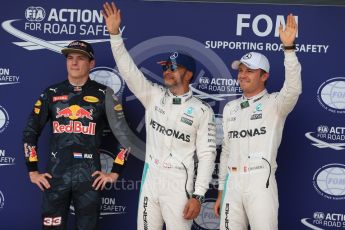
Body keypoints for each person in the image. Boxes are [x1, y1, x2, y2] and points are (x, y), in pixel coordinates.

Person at [102, 2, 217, 229]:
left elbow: (207, 155)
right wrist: (115, 35)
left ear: (189, 74)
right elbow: (128, 70)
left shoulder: (203, 110)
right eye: (165, 67)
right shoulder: (153, 95)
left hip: (179, 184)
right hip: (151, 179)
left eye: (173, 68)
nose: (167, 71)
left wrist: (199, 195)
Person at [23, 40, 129, 230]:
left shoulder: (105, 94)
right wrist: (32, 170)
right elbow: (30, 132)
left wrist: (114, 173)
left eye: (80, 58)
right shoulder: (51, 93)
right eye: (70, 58)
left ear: (91, 64)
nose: (74, 62)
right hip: (55, 177)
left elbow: (125, 136)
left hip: (89, 178)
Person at [214, 14, 302, 230]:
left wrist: (289, 49)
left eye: (250, 71)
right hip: (232, 185)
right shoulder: (230, 108)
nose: (243, 75)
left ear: (264, 76)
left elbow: (293, 89)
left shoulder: (276, 104)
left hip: (259, 182)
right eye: (241, 70)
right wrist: (221, 191)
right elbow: (227, 150)